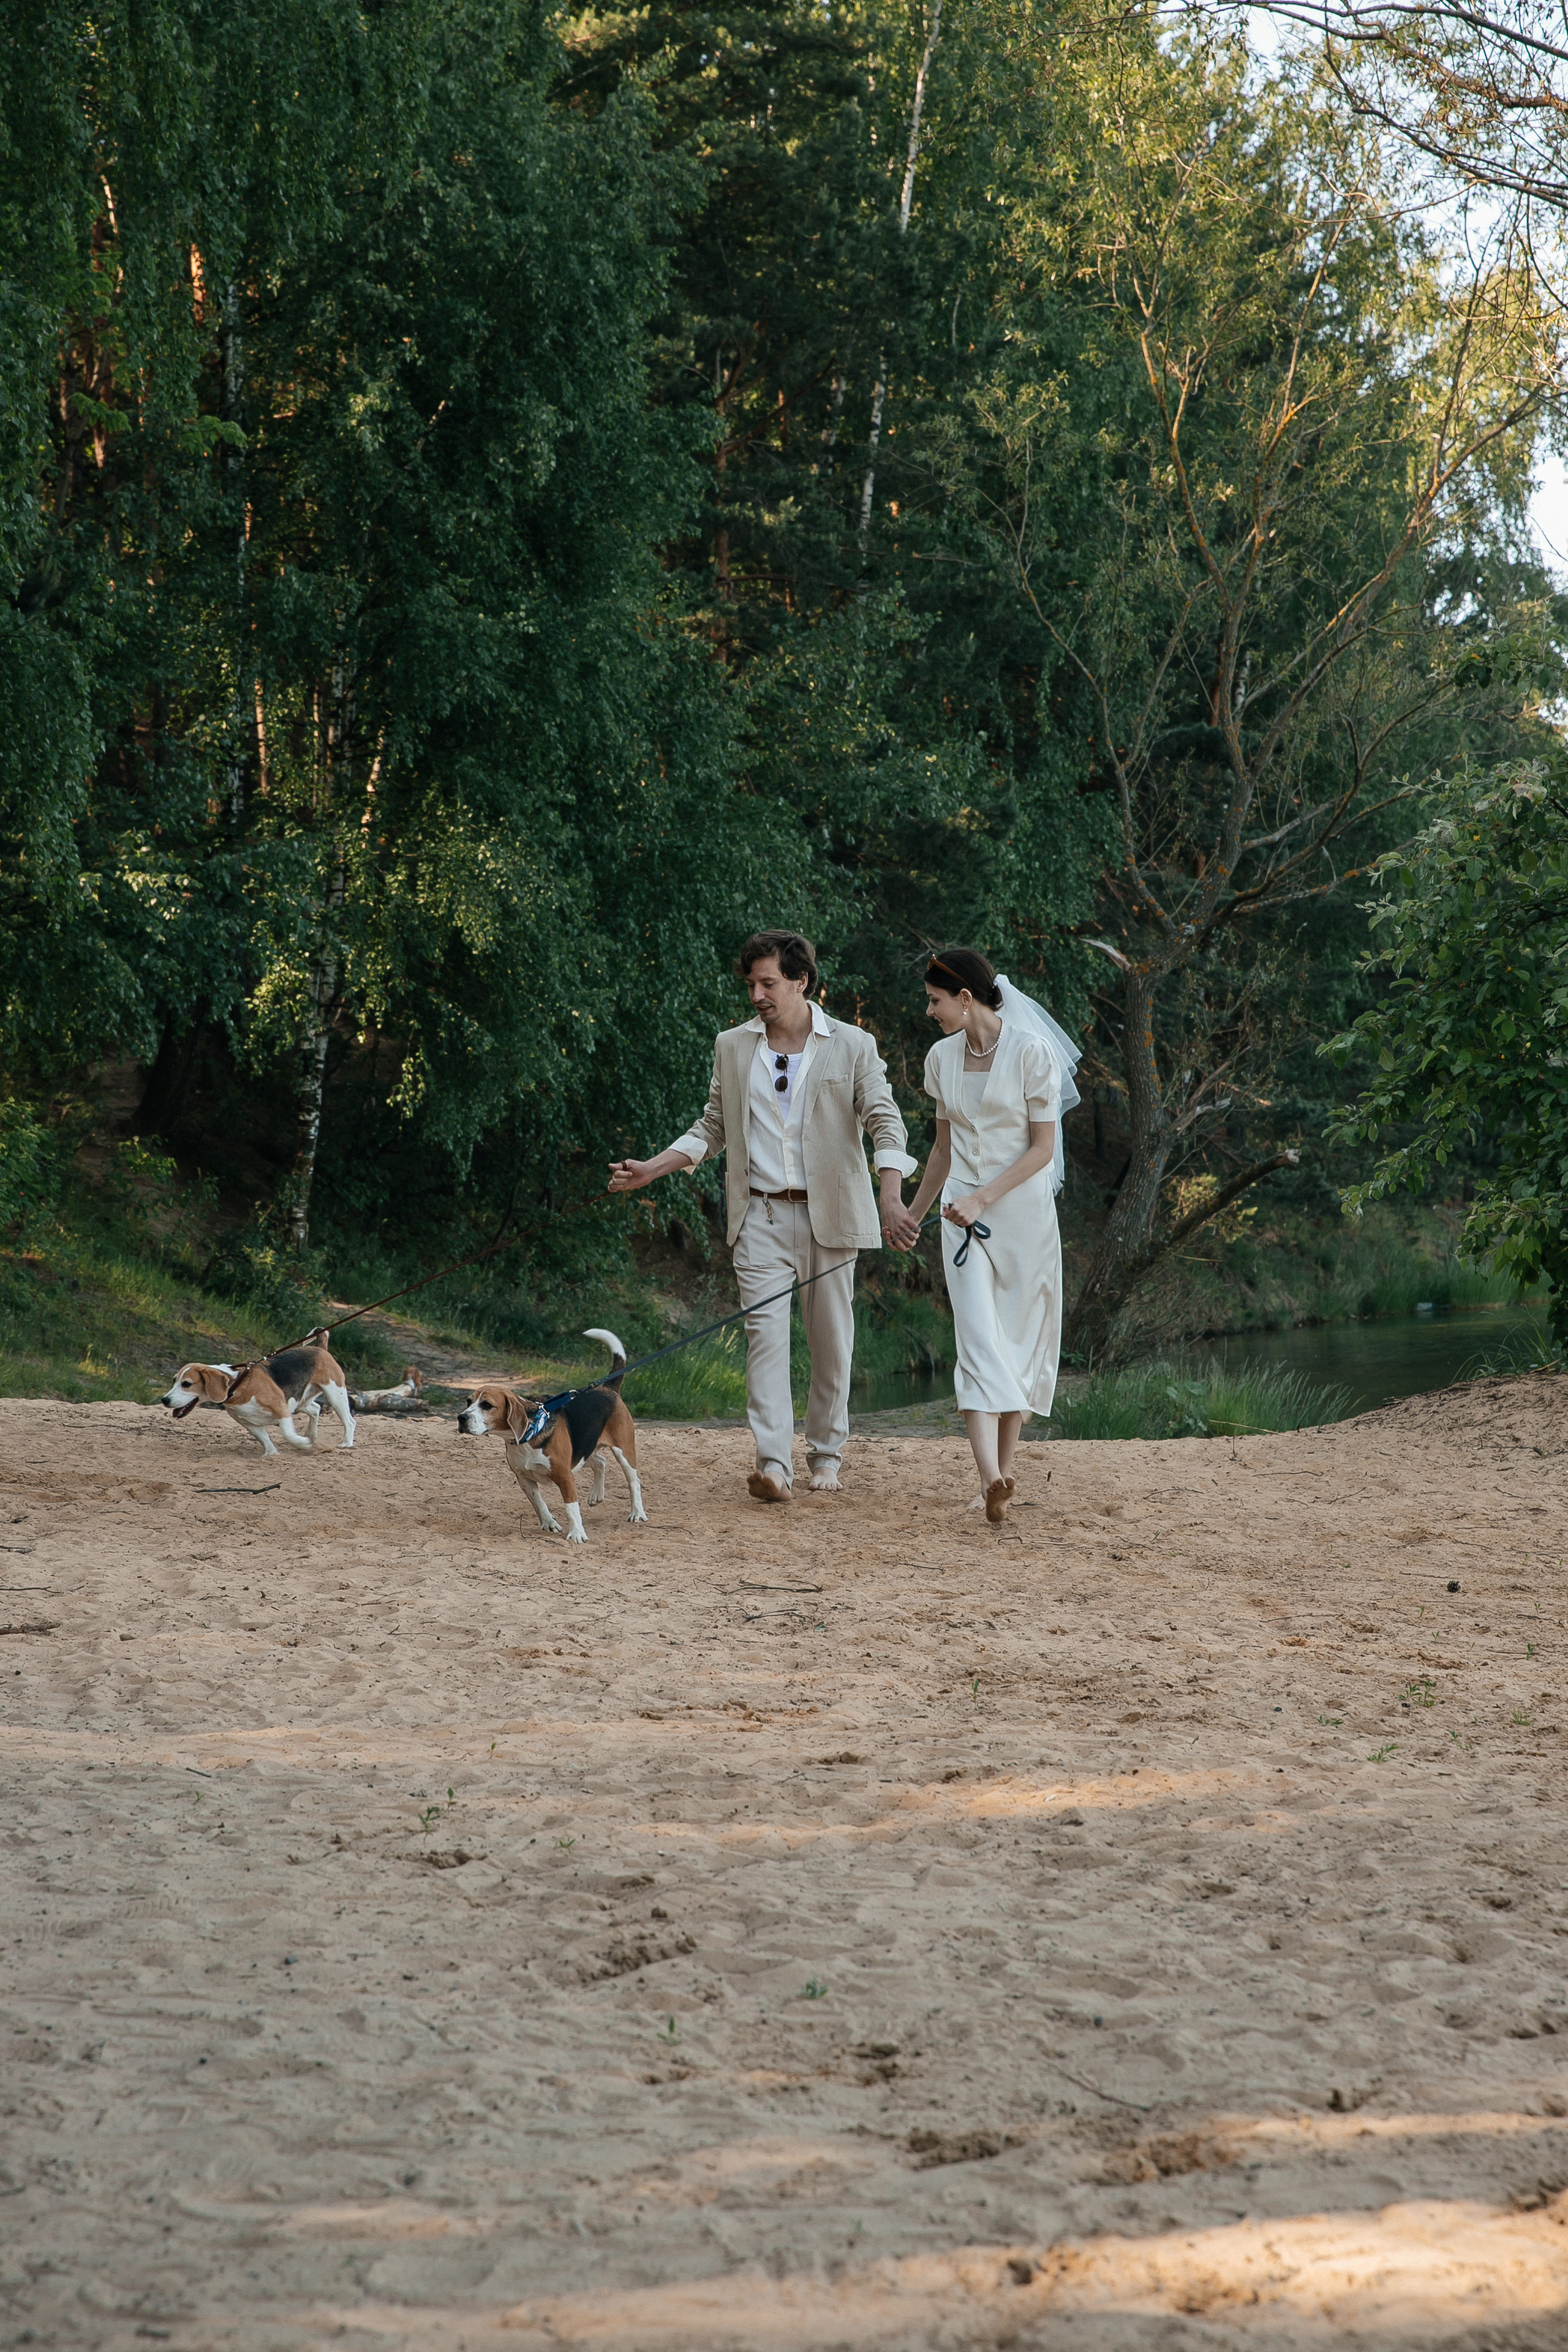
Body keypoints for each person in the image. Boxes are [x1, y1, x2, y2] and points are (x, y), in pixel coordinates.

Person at [608, 930, 916, 1502]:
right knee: (765, 1340)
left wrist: (891, 1193)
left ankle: (827, 1454)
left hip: (834, 1217)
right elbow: (713, 1126)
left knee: (831, 1343)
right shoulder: (732, 1045)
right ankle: (774, 1466)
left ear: (801, 981)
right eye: (751, 984)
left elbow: (884, 1120)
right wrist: (653, 1167)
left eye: (768, 983)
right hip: (760, 1218)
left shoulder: (852, 1044)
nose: (757, 994)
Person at [886, 947, 1081, 1523]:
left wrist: (981, 1198)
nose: (930, 1011)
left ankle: (1004, 1471)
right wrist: (911, 1215)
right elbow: (943, 1150)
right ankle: (990, 1480)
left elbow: (1042, 1150)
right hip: (959, 1219)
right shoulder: (941, 1058)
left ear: (965, 999)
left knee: (1014, 1346)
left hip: (1020, 1217)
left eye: (935, 1000)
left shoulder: (1031, 1053)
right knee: (975, 1340)